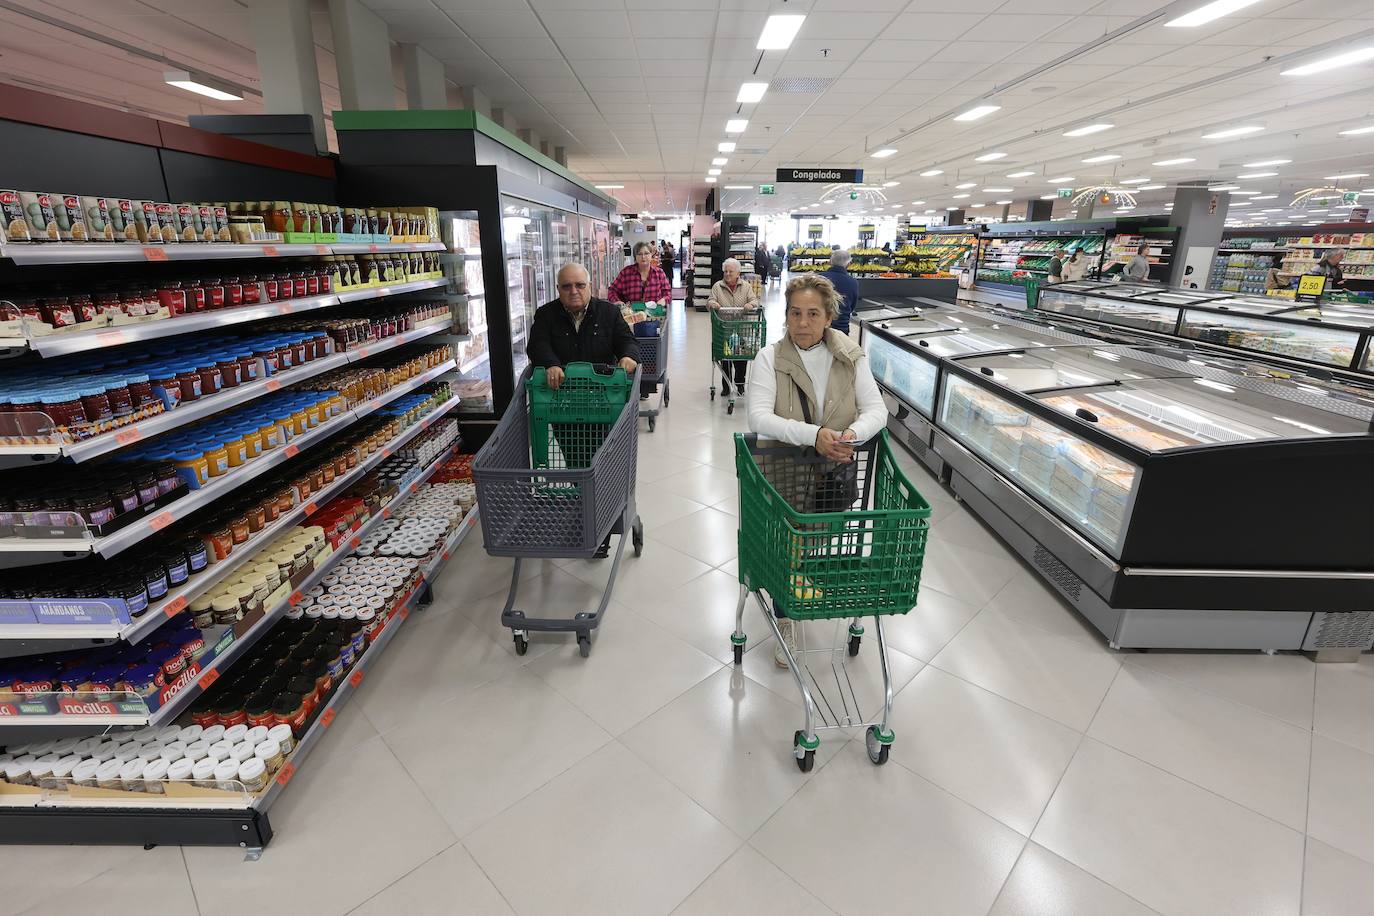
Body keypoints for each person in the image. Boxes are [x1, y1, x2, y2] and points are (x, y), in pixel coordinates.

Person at [747, 274, 886, 667]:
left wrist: (850, 435)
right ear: (786, 315)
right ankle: (785, 615)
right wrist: (816, 435)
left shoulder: (850, 357)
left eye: (812, 314)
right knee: (784, 539)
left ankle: (797, 581)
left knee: (815, 536)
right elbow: (758, 417)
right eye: (795, 313)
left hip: (831, 470)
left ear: (828, 317)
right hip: (782, 469)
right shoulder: (768, 359)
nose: (803, 323)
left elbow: (877, 410)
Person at [528, 263, 641, 557]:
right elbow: (536, 345)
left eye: (579, 285)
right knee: (579, 464)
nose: (574, 291)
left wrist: (628, 357)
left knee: (603, 464)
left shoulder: (608, 313)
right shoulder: (546, 315)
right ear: (558, 290)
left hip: (604, 406)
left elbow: (628, 341)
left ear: (590, 286)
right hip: (564, 408)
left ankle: (599, 523)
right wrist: (551, 362)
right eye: (567, 286)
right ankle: (590, 519)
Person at [708, 257, 759, 398]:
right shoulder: (717, 286)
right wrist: (712, 304)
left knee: (741, 359)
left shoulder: (746, 286)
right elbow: (710, 300)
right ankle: (726, 386)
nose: (727, 274)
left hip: (742, 329)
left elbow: (754, 300)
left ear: (738, 273)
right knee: (725, 358)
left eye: (731, 271)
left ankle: (740, 385)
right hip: (724, 329)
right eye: (725, 271)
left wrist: (751, 305)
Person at [608, 241, 670, 308]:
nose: (643, 257)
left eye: (646, 253)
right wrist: (617, 301)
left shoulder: (659, 273)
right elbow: (612, 290)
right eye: (639, 254)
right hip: (630, 315)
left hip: (654, 315)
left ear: (651, 255)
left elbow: (667, 293)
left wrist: (664, 300)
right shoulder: (626, 273)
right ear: (635, 257)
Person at [819, 249, 860, 335]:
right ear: (848, 265)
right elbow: (852, 307)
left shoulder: (819, 279)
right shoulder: (853, 282)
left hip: (820, 326)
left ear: (830, 262)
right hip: (842, 329)